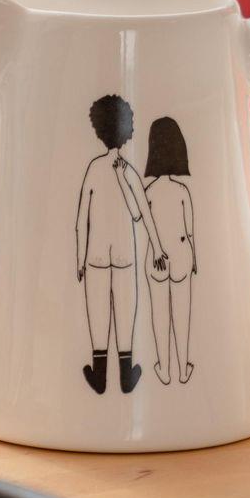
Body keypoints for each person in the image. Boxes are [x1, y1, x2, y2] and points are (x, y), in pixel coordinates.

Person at [73, 93, 158, 395]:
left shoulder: (94, 169)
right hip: (124, 255)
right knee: (125, 310)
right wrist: (157, 247)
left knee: (97, 312)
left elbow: (81, 220)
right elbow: (142, 213)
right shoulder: (128, 171)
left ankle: (99, 375)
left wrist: (80, 259)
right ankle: (126, 374)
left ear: (99, 130)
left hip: (95, 255)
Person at [141, 117, 197, 386]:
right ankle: (183, 369)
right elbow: (190, 230)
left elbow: (143, 223)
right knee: (182, 313)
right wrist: (194, 259)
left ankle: (164, 368)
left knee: (159, 313)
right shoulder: (182, 191)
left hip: (157, 256)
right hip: (182, 252)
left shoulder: (149, 192)